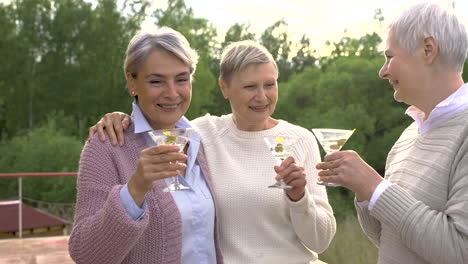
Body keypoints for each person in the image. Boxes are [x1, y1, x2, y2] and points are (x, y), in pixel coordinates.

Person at [90, 40, 336, 263]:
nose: (262, 97)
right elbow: (158, 119)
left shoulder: (301, 139)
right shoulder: (200, 135)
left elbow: (321, 242)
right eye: (250, 86)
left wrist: (299, 197)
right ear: (224, 87)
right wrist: (121, 118)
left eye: (269, 85)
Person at [315, 2, 468, 263]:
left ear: (428, 50)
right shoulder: (408, 136)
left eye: (390, 56)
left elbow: (459, 251)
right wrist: (363, 192)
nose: (383, 71)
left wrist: (373, 185)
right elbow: (390, 240)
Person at [69, 27, 223, 264]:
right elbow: (85, 254)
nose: (172, 93)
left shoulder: (199, 141)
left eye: (181, 79)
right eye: (156, 81)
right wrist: (135, 189)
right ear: (132, 81)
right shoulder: (107, 146)